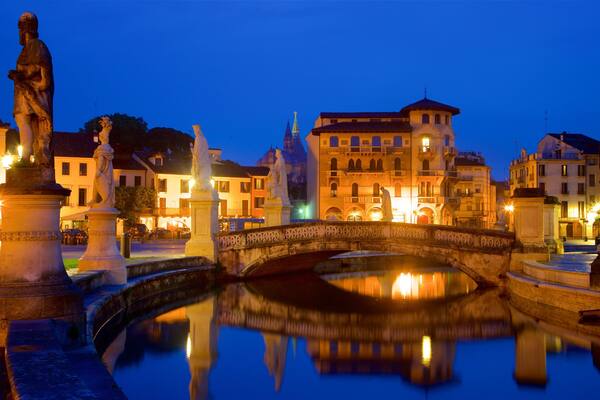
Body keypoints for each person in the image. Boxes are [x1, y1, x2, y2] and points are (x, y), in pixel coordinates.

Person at [8, 12, 54, 181]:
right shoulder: (27, 49)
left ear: (26, 29)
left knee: (27, 122)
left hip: (32, 91)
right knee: (22, 121)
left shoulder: (38, 46)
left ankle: (28, 157)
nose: (19, 33)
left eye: (20, 28)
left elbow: (42, 73)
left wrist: (21, 75)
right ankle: (27, 157)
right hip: (23, 91)